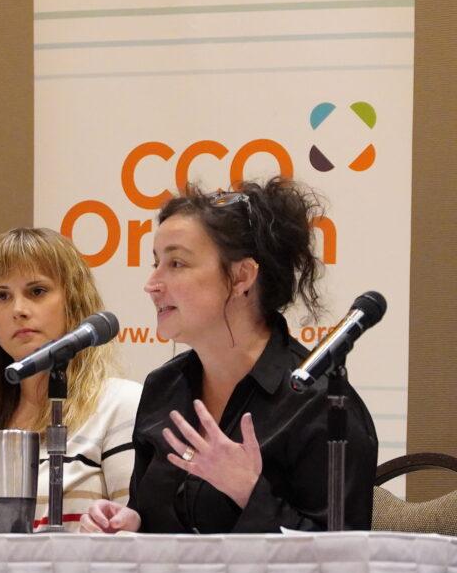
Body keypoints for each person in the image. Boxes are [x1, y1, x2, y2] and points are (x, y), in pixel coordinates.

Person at [81, 178, 378, 534]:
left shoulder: (322, 406)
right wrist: (131, 522)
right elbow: (153, 516)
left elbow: (341, 564)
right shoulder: (163, 389)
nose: (152, 283)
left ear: (241, 277)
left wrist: (248, 492)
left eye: (176, 263)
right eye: (156, 262)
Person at [0, 228, 141, 534]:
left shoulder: (120, 406)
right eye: (1, 295)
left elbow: (136, 540)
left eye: (37, 291)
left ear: (72, 301)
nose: (18, 310)